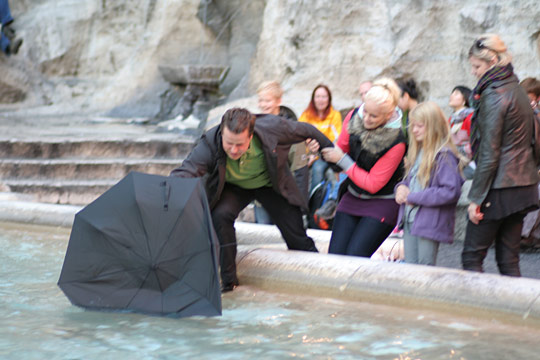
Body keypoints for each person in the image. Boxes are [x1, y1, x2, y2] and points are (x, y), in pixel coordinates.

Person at [170, 108, 334, 291]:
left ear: (250, 136)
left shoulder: (273, 127)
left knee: (296, 234)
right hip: (235, 187)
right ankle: (229, 283)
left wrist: (334, 159)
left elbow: (308, 130)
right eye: (229, 143)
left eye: (239, 144)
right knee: (220, 215)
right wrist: (168, 191)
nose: (233, 150)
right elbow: (188, 170)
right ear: (222, 133)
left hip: (270, 184)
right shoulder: (210, 141)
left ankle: (321, 279)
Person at [461, 34, 539, 277]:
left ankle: (475, 314)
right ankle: (514, 314)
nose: (473, 72)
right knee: (509, 258)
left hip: (499, 188)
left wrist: (475, 198)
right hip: (523, 185)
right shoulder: (516, 88)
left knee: (472, 256)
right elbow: (535, 140)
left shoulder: (494, 94)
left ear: (493, 60)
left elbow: (489, 152)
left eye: (477, 66)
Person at [321, 78, 407, 257]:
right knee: (335, 257)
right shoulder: (354, 116)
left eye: (373, 116)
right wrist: (321, 150)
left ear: (389, 114)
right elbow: (338, 156)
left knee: (355, 256)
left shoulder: (397, 141)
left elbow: (373, 183)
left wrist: (343, 160)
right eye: (365, 111)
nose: (366, 118)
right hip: (352, 195)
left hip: (382, 201)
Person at [395, 101, 464, 265]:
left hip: (429, 221)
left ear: (433, 126)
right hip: (410, 218)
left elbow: (450, 191)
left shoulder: (444, 155)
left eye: (419, 126)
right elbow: (411, 180)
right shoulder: (418, 151)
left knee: (424, 268)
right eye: (413, 125)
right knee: (410, 267)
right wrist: (401, 187)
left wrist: (413, 197)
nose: (414, 130)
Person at [254, 81, 309, 225]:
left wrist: (300, 206)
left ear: (279, 101)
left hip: (285, 199)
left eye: (268, 100)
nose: (263, 104)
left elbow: (301, 170)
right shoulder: (254, 127)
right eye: (261, 100)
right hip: (260, 197)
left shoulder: (292, 130)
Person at [299, 84, 343, 192]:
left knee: (317, 169)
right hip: (307, 154)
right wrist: (307, 155)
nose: (320, 100)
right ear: (313, 98)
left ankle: (316, 204)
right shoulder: (306, 115)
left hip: (325, 154)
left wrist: (315, 155)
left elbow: (336, 140)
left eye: (324, 97)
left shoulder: (335, 115)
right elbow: (299, 137)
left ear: (329, 99)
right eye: (318, 96)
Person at [448, 85, 475, 179]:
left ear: (464, 100)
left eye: (456, 94)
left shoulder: (470, 117)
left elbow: (475, 144)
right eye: (452, 93)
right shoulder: (451, 120)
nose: (451, 96)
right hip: (455, 162)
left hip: (470, 163)